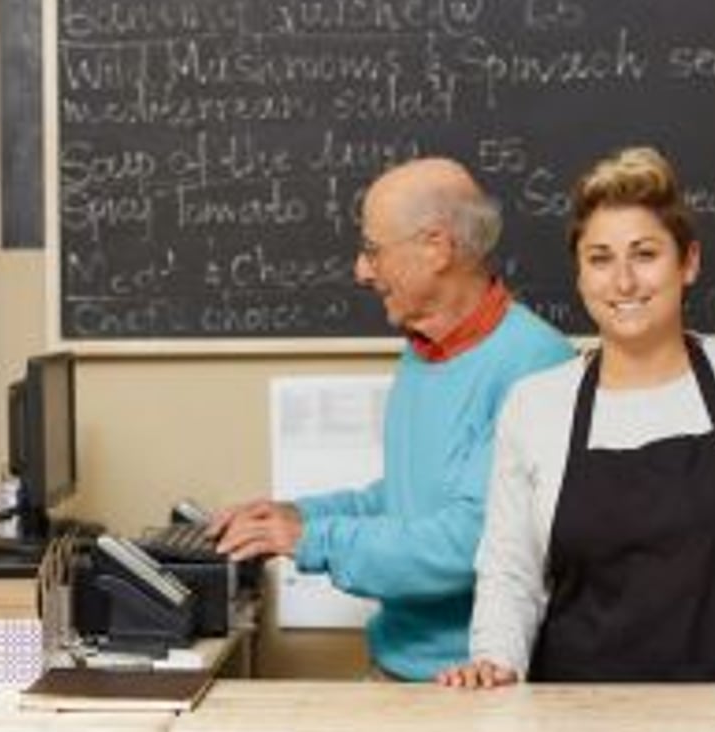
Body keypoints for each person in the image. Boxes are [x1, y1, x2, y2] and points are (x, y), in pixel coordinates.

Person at [436, 147, 715, 691]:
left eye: (644, 254)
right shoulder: (536, 405)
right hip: (579, 712)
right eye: (600, 258)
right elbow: (511, 572)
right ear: (580, 274)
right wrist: (495, 663)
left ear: (689, 262)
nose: (624, 281)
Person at [208, 157, 574, 681]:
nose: (361, 270)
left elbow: (468, 543)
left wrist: (311, 540)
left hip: (472, 684)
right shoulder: (424, 352)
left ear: (438, 246)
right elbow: (406, 497)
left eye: (373, 251)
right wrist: (295, 515)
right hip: (397, 667)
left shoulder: (535, 364)